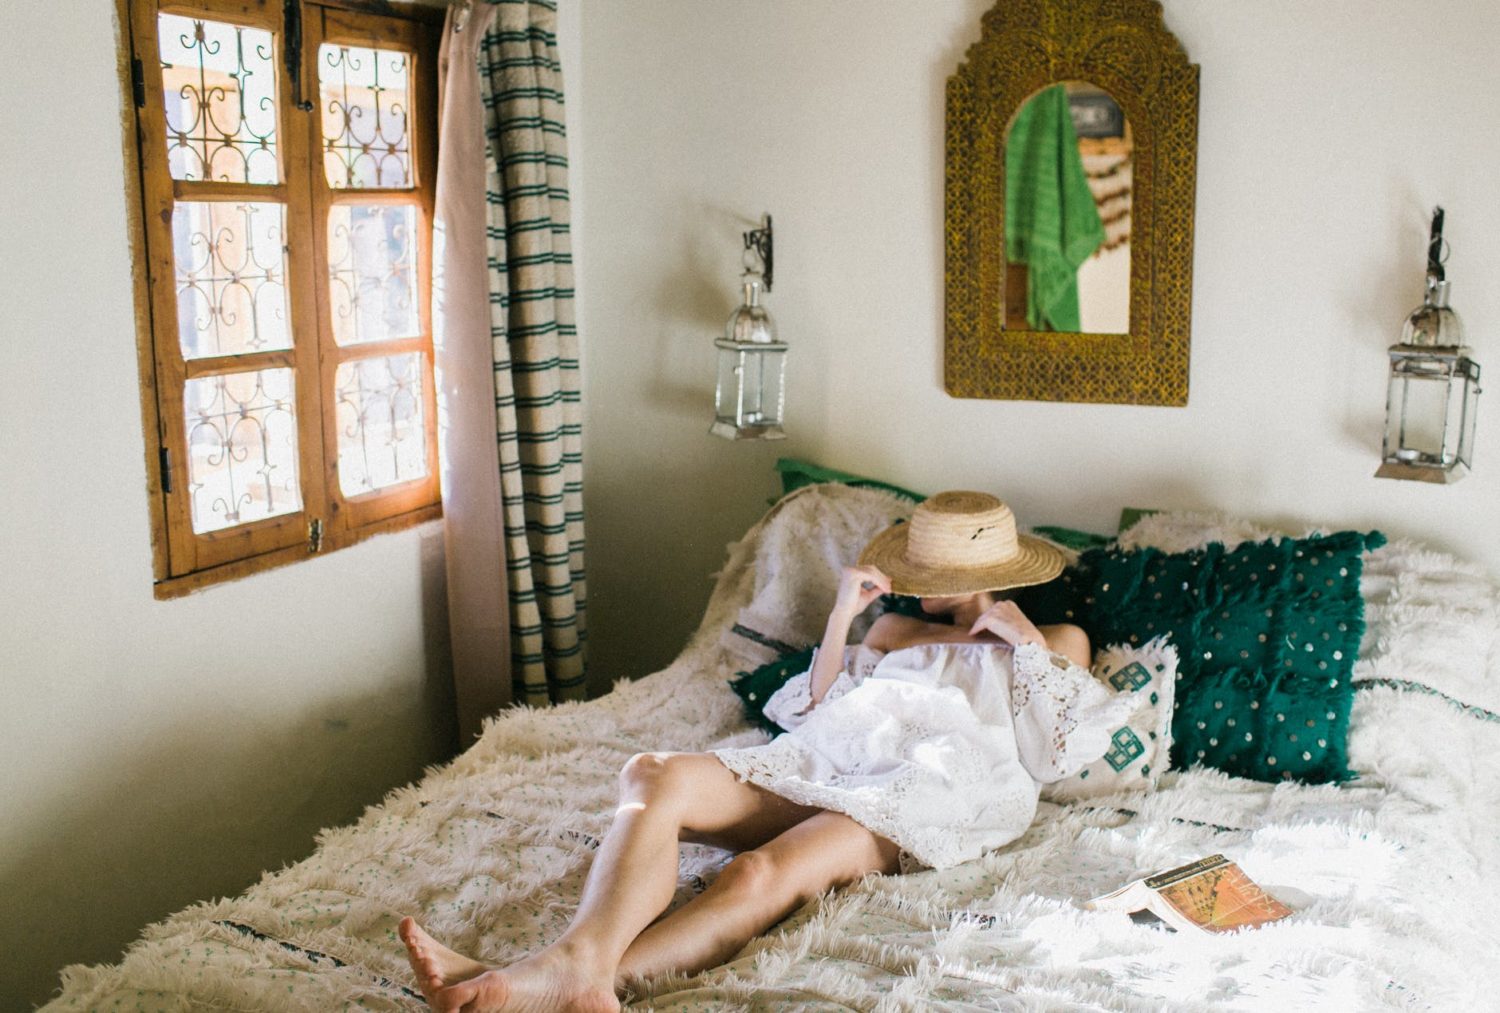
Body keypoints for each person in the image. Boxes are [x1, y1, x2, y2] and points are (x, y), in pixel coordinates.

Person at [400, 491, 1137, 1012]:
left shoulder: (1057, 641)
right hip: (828, 756)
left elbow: (1055, 753)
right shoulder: (889, 632)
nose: (917, 586)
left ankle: (566, 976)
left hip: (920, 790)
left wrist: (1023, 643)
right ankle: (570, 967)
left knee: (757, 872)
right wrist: (847, 611)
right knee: (651, 772)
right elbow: (811, 709)